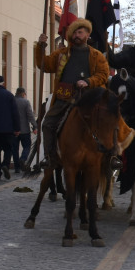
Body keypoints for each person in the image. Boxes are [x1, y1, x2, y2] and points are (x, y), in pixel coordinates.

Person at [34, 18, 112, 169]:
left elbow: (103, 74)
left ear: (87, 34)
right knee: (47, 124)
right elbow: (44, 65)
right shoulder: (61, 54)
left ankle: (110, 156)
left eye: (80, 32)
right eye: (74, 32)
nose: (77, 35)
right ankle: (50, 157)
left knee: (109, 122)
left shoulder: (97, 56)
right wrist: (41, 46)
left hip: (89, 98)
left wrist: (88, 82)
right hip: (65, 97)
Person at [14, 87, 36, 173]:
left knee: (14, 149)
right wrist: (35, 126)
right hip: (25, 130)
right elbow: (30, 115)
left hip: (14, 130)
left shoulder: (12, 101)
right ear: (23, 94)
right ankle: (23, 159)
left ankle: (16, 168)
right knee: (27, 146)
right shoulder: (26, 102)